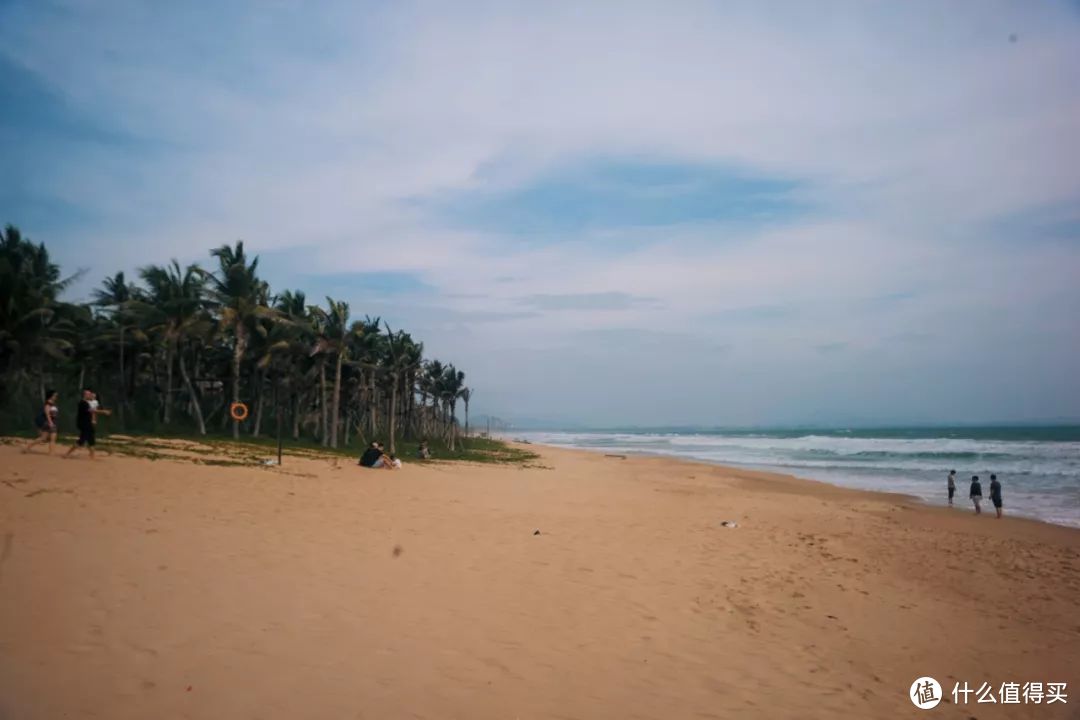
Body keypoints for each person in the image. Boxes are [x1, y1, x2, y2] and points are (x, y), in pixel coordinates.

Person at [64, 389, 100, 460]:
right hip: (84, 424)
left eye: (90, 394)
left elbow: (92, 412)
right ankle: (67, 454)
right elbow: (91, 410)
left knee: (91, 439)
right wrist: (104, 412)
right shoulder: (82, 403)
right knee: (82, 440)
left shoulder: (88, 403)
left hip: (88, 423)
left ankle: (92, 457)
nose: (90, 395)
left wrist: (93, 420)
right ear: (85, 395)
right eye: (89, 394)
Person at [24, 389, 60, 454]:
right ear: (51, 396)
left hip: (51, 422)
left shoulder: (53, 403)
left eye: (56, 395)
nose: (56, 397)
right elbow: (47, 414)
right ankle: (51, 452)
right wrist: (51, 423)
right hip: (49, 423)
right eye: (54, 395)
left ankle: (28, 447)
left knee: (44, 438)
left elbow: (53, 414)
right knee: (51, 438)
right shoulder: (48, 403)